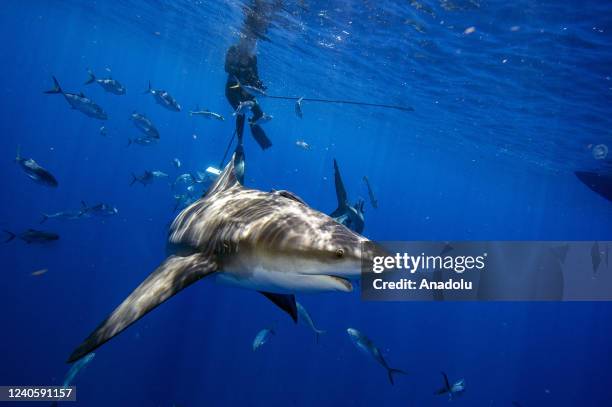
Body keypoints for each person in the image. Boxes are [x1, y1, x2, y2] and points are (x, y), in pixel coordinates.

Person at [224, 1, 278, 151]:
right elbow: (226, 68)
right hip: (233, 90)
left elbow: (255, 76)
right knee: (241, 113)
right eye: (249, 39)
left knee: (259, 114)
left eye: (253, 40)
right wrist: (240, 68)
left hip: (248, 92)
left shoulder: (253, 58)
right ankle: (239, 144)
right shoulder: (233, 50)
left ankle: (256, 131)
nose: (251, 42)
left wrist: (258, 84)